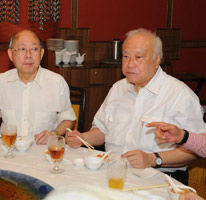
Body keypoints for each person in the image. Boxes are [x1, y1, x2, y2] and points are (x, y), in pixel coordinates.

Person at [66, 28, 206, 185]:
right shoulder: (118, 88)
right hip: (113, 173)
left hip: (160, 179)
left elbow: (196, 151)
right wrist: (83, 138)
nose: (130, 63)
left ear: (156, 60)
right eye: (126, 56)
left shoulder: (180, 95)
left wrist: (153, 159)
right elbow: (103, 131)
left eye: (138, 57)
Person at [0, 30, 76, 145]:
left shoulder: (57, 83)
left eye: (34, 49)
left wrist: (54, 134)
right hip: (9, 149)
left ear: (41, 54)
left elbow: (68, 119)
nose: (28, 55)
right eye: (22, 49)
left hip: (42, 151)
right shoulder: (1, 82)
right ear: (11, 54)